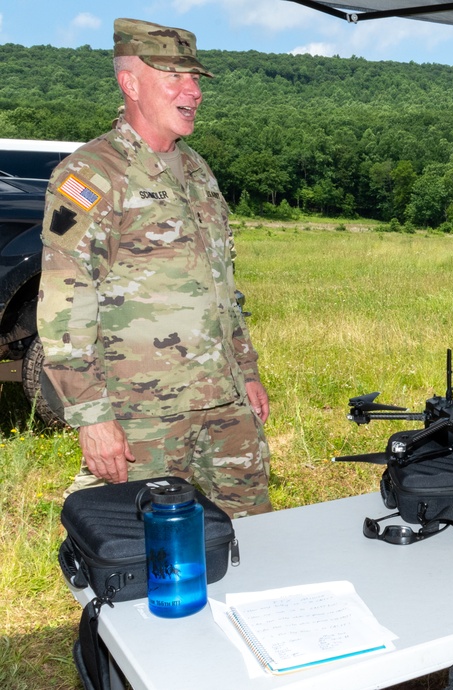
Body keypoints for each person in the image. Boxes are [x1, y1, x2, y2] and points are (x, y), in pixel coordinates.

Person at [37, 18, 272, 519]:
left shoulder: (198, 171)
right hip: (142, 414)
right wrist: (91, 416)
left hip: (225, 406)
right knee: (137, 554)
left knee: (252, 543)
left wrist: (246, 370)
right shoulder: (91, 175)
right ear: (130, 84)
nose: (193, 92)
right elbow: (64, 306)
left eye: (195, 80)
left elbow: (223, 288)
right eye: (175, 78)